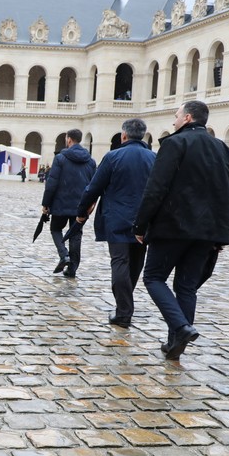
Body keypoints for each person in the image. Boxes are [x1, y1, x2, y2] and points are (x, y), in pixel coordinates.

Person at [133, 101, 229, 360]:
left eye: (176, 116)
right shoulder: (222, 149)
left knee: (153, 277)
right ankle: (175, 345)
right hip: (208, 232)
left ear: (188, 118)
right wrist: (223, 232)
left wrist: (140, 224)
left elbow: (156, 188)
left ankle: (181, 328)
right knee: (187, 287)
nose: (174, 121)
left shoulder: (174, 143)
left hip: (173, 226)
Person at [76, 119, 155, 328]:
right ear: (144, 136)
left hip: (117, 218)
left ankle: (123, 312)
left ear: (124, 136)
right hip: (145, 219)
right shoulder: (154, 158)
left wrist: (81, 212)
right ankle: (125, 306)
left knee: (120, 262)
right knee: (136, 263)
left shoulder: (113, 156)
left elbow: (93, 188)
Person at [41, 129, 96, 278]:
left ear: (69, 140)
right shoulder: (91, 161)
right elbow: (94, 185)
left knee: (55, 229)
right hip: (81, 205)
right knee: (76, 235)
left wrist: (46, 204)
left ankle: (64, 255)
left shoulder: (60, 158)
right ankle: (72, 269)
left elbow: (51, 184)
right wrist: (91, 204)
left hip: (60, 203)